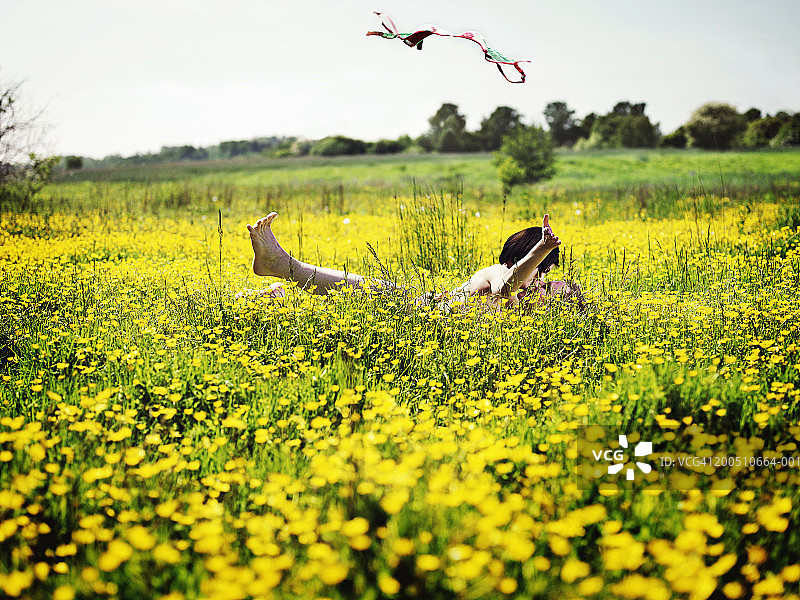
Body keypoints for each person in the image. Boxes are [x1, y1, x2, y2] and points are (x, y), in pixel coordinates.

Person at [243, 211, 575, 310]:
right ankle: (281, 265)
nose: (544, 278)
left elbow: (570, 299)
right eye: (542, 268)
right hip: (419, 308)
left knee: (339, 301)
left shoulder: (540, 290)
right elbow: (507, 287)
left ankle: (278, 292)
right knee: (355, 288)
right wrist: (541, 249)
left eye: (547, 272)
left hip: (427, 310)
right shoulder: (498, 272)